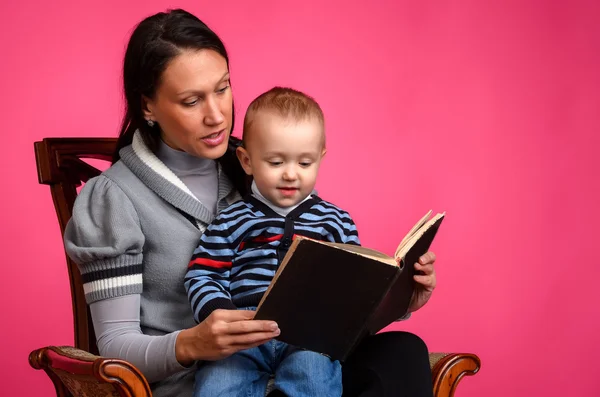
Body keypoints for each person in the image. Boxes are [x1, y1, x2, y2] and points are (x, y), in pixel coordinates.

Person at [64, 8, 437, 397]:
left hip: (295, 362)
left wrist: (398, 297)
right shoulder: (113, 198)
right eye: (192, 101)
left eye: (222, 88)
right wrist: (192, 343)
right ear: (147, 106)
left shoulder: (257, 166)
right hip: (208, 381)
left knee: (403, 351)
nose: (217, 116)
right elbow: (113, 350)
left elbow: (329, 306)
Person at [185, 86, 360, 396]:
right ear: (247, 160)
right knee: (217, 385)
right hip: (244, 333)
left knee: (312, 378)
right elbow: (203, 274)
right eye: (276, 162)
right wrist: (221, 313)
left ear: (321, 158)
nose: (291, 175)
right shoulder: (230, 220)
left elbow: (357, 283)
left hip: (309, 335)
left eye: (304, 163)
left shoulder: (336, 222)